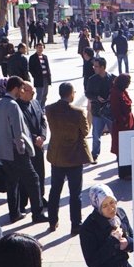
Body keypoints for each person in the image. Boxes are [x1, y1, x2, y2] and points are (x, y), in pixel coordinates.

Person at [0, 77, 47, 224]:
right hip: (16, 151)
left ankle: (14, 213)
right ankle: (37, 213)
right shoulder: (13, 105)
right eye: (21, 89)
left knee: (12, 182)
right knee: (34, 179)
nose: (22, 92)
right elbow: (18, 131)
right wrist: (22, 149)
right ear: (16, 88)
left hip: (3, 150)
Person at [44, 82, 93, 235]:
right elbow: (85, 132)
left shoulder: (49, 109)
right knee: (75, 193)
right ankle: (76, 224)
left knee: (55, 190)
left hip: (57, 156)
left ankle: (52, 221)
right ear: (71, 93)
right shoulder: (78, 112)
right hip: (74, 157)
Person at [85, 57, 114, 163]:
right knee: (96, 134)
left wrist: (112, 97)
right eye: (94, 66)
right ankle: (94, 154)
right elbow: (88, 93)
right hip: (97, 111)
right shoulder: (92, 79)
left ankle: (118, 154)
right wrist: (96, 97)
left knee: (114, 134)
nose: (94, 68)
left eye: (96, 66)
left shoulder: (112, 78)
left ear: (102, 67)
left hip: (110, 112)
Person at [109, 73, 134, 179]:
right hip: (121, 126)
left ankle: (131, 171)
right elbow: (116, 111)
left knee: (130, 149)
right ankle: (124, 173)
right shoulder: (115, 93)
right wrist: (123, 121)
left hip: (128, 123)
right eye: (127, 82)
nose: (128, 84)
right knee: (122, 150)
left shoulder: (122, 91)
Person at [28, 43, 52, 107]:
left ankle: (42, 107)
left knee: (45, 94)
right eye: (39, 47)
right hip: (39, 79)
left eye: (41, 47)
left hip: (46, 78)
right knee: (39, 95)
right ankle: (37, 108)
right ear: (36, 48)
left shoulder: (45, 57)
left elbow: (47, 67)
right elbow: (30, 68)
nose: (40, 49)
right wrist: (35, 75)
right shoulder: (33, 57)